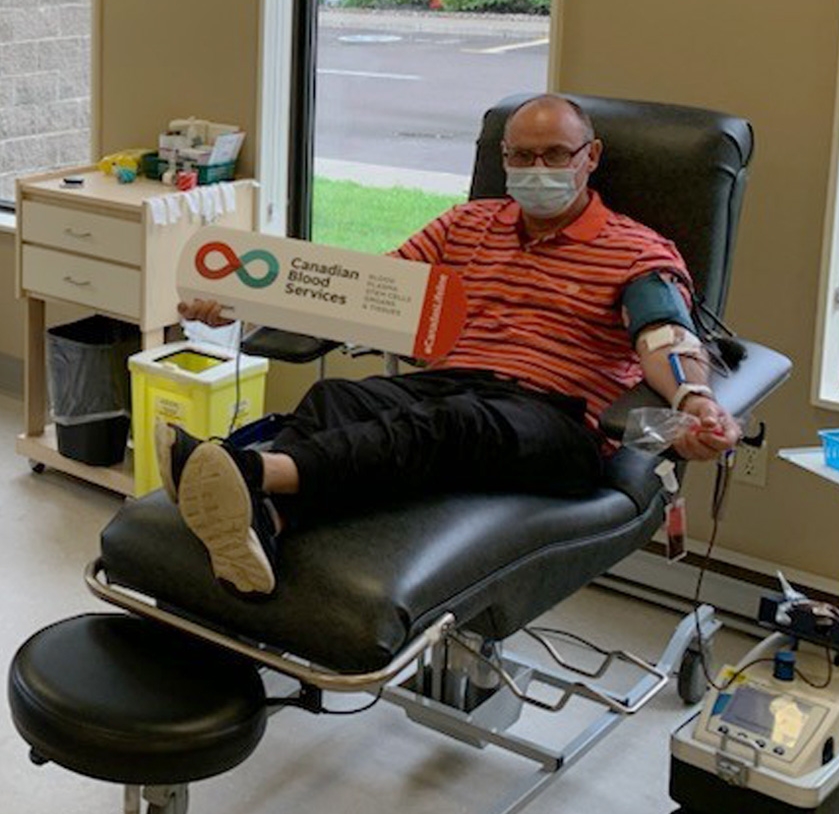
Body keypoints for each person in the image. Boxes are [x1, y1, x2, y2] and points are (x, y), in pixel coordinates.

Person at [161, 94, 740, 596]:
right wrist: (233, 300)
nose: (537, 168)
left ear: (591, 157)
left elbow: (662, 332)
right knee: (336, 400)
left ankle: (250, 472)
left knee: (455, 424)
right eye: (520, 156)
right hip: (452, 383)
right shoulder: (466, 225)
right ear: (503, 159)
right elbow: (355, 291)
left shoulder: (635, 249)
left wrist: (693, 400)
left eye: (557, 155)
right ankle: (265, 520)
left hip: (556, 421)